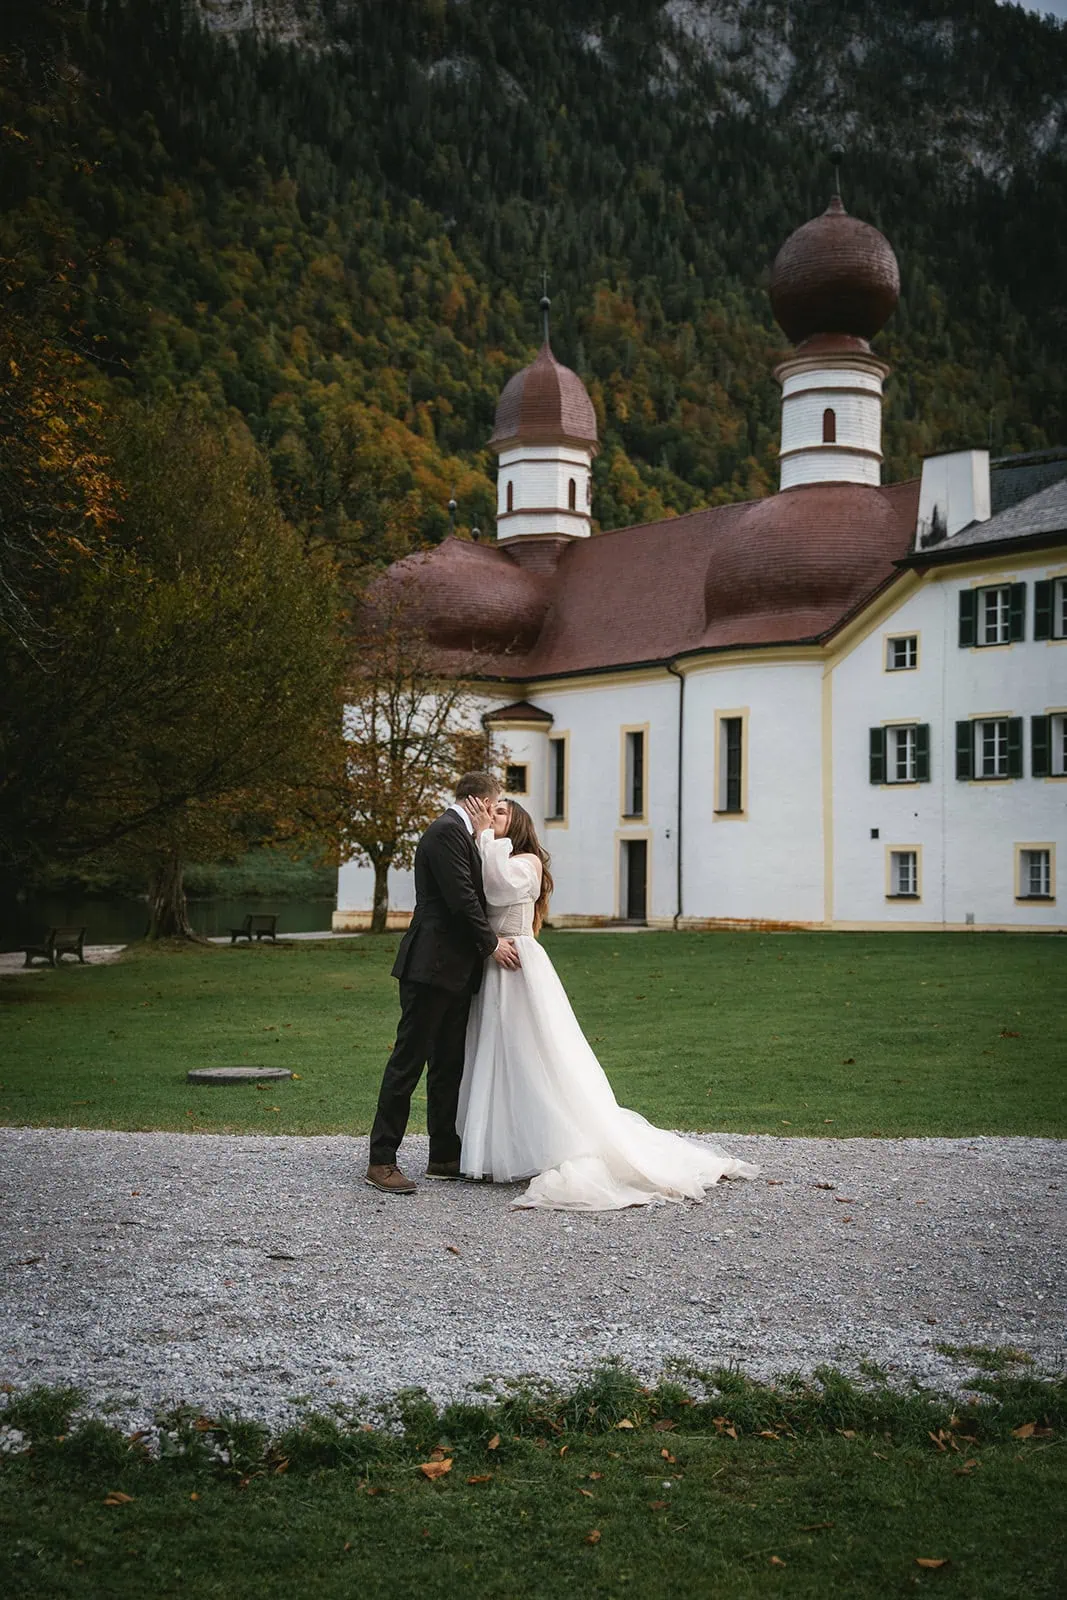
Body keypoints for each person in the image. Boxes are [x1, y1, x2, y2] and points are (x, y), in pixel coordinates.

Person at [457, 795, 760, 1210]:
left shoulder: (525, 861)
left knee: (531, 1051)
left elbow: (497, 887)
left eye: (502, 811)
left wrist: (485, 835)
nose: (493, 815)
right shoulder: (492, 850)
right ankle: (504, 1148)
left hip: (518, 964)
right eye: (491, 810)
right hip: (495, 964)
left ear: (521, 823)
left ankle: (555, 1139)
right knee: (498, 1053)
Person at [366, 772, 520, 1194]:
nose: (494, 813)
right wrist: (491, 945)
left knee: (448, 1064)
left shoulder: (465, 835)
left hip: (455, 970)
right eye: (494, 805)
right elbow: (461, 899)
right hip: (430, 966)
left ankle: (444, 1155)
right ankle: (381, 1159)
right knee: (409, 1061)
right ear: (479, 802)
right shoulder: (445, 832)